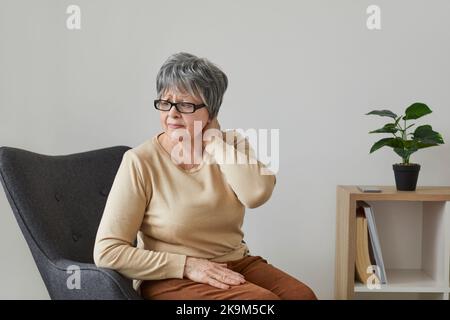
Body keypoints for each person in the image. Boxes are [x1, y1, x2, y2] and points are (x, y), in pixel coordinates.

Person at [93, 52, 317, 300]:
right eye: (165, 102)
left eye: (186, 105)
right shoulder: (140, 161)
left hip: (236, 263)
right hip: (171, 278)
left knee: (302, 296)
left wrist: (213, 141)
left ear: (210, 113)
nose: (172, 114)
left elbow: (256, 195)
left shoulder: (232, 144)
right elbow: (107, 251)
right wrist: (187, 265)